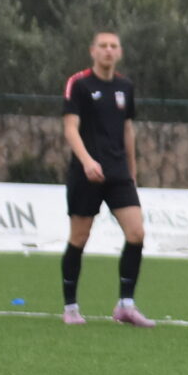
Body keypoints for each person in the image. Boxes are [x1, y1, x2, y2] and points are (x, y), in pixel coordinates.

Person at [59, 30, 153, 328]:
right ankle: (71, 307)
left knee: (136, 233)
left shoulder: (125, 86)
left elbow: (127, 130)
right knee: (79, 238)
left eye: (113, 46)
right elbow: (70, 128)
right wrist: (87, 161)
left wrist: (132, 171)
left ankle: (126, 305)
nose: (108, 50)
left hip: (118, 173)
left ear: (120, 52)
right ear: (93, 51)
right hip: (86, 173)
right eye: (103, 46)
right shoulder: (79, 84)